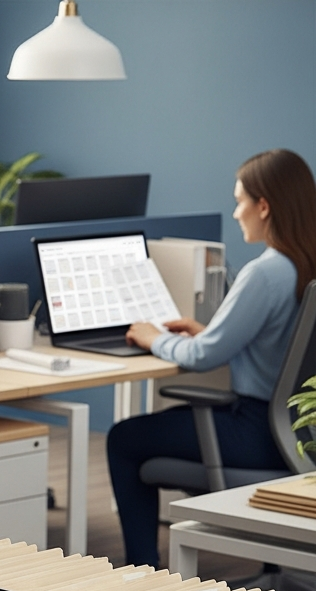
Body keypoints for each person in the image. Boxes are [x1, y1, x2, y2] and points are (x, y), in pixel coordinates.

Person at [107, 148, 316, 568]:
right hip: (301, 434)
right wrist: (213, 332)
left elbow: (202, 357)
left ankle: (142, 572)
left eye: (240, 201)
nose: (236, 213)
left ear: (264, 206)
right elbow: (283, 348)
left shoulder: (265, 272)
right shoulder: (305, 265)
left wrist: (153, 338)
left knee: (124, 440)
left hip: (258, 434)